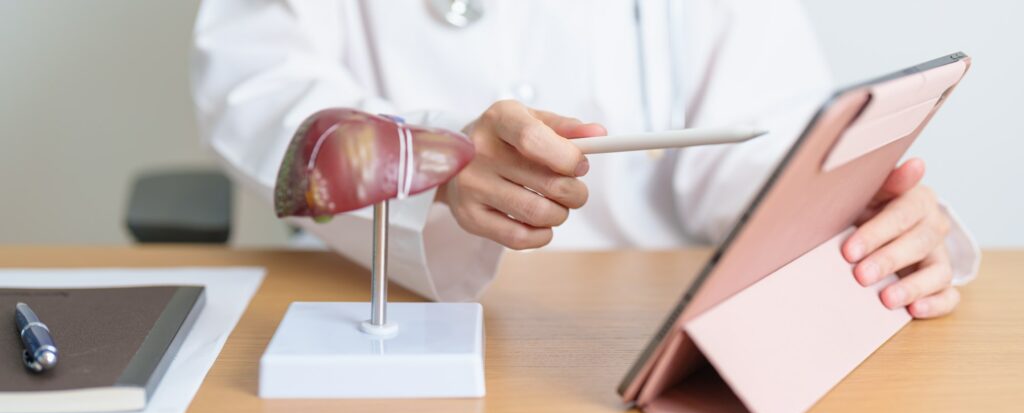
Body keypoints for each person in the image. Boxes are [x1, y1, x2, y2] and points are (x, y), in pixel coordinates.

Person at [190, 0, 978, 318]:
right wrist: (430, 157)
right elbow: (257, 93)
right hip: (383, 307)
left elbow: (763, 137)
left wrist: (843, 211)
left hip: (637, 319)